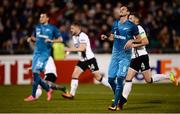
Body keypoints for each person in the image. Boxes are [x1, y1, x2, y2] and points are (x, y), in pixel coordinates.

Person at [118, 12, 179, 110]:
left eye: (131, 18)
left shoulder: (139, 28)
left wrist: (133, 44)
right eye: (129, 18)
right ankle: (122, 101)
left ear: (137, 20)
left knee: (148, 80)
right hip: (134, 58)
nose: (129, 20)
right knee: (128, 79)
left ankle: (168, 76)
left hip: (142, 57)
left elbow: (146, 42)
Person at [101, 6, 142, 111]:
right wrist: (106, 37)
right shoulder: (115, 23)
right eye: (120, 9)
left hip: (125, 56)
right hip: (115, 55)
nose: (121, 10)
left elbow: (140, 39)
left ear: (128, 12)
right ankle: (120, 97)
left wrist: (132, 41)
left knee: (119, 78)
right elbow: (112, 37)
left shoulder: (132, 26)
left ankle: (115, 104)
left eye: (123, 9)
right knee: (110, 79)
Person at [61, 22, 111, 99]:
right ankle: (71, 94)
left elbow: (82, 48)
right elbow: (76, 47)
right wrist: (67, 53)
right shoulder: (74, 37)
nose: (71, 30)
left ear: (78, 27)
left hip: (90, 60)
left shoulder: (83, 36)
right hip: (82, 60)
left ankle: (115, 88)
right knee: (74, 75)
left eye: (72, 28)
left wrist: (68, 49)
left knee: (98, 78)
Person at [24, 12, 63, 101]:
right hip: (36, 53)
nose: (41, 18)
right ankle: (48, 90)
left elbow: (61, 39)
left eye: (43, 17)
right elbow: (35, 38)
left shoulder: (53, 28)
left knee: (36, 73)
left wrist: (51, 40)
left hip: (45, 53)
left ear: (47, 18)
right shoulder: (37, 27)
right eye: (40, 16)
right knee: (35, 74)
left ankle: (33, 96)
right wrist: (31, 39)